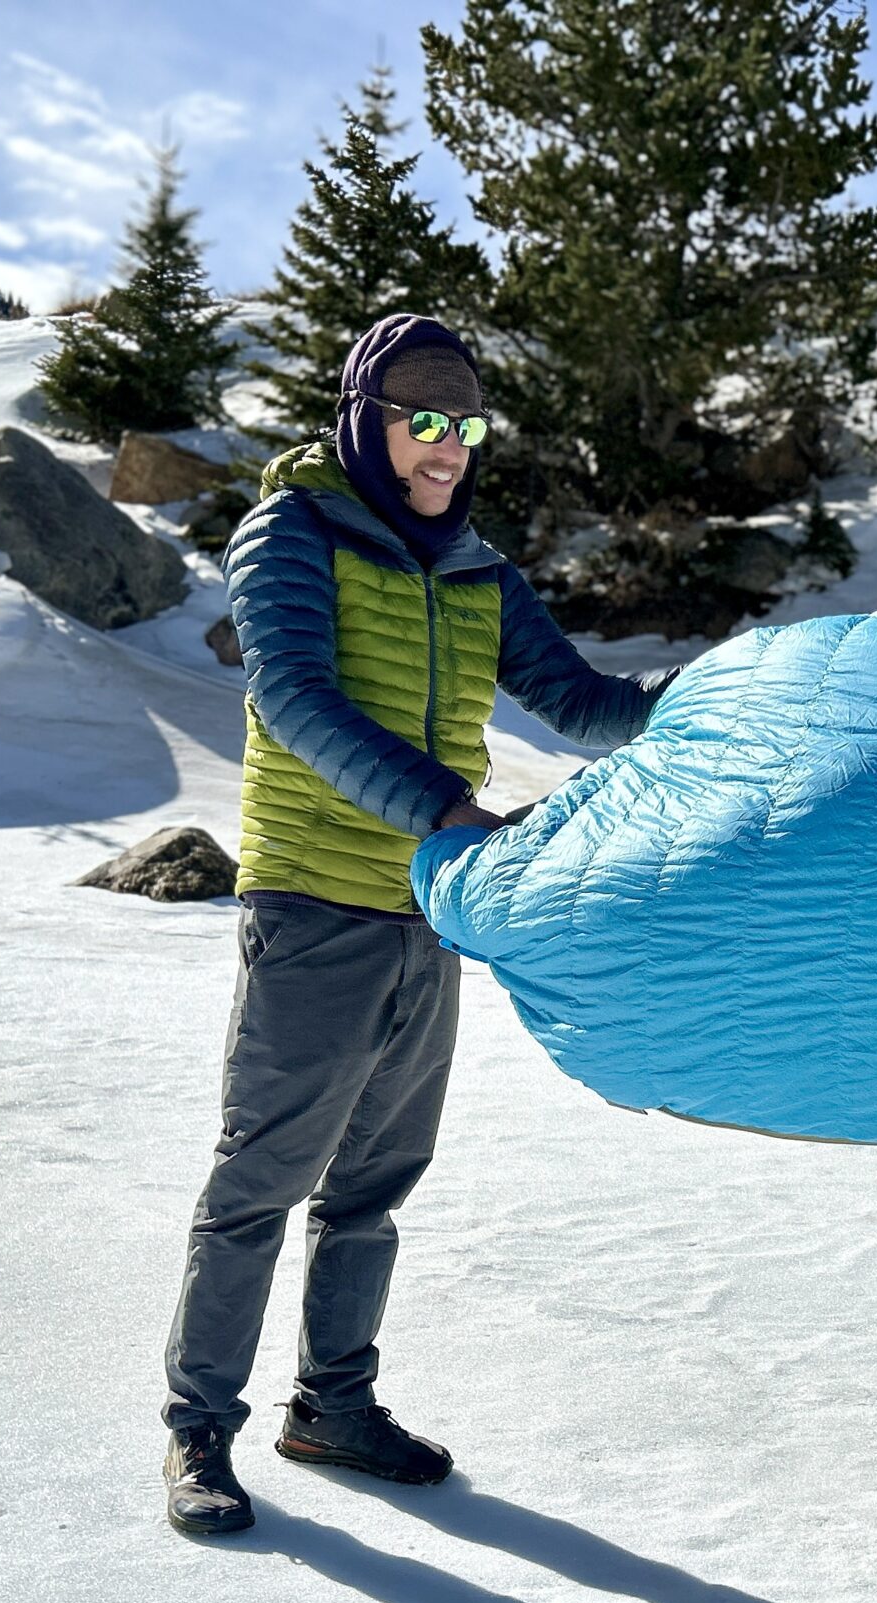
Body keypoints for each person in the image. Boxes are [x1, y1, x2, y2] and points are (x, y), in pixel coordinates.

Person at [160, 312, 674, 1536]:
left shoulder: (475, 566)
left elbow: (576, 699)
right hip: (313, 900)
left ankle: (332, 1407)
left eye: (468, 425)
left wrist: (713, 694)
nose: (449, 448)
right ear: (365, 419)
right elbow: (294, 699)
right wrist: (445, 807)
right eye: (424, 421)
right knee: (260, 1180)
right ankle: (197, 1430)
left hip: (426, 908)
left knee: (375, 1181)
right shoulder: (292, 529)